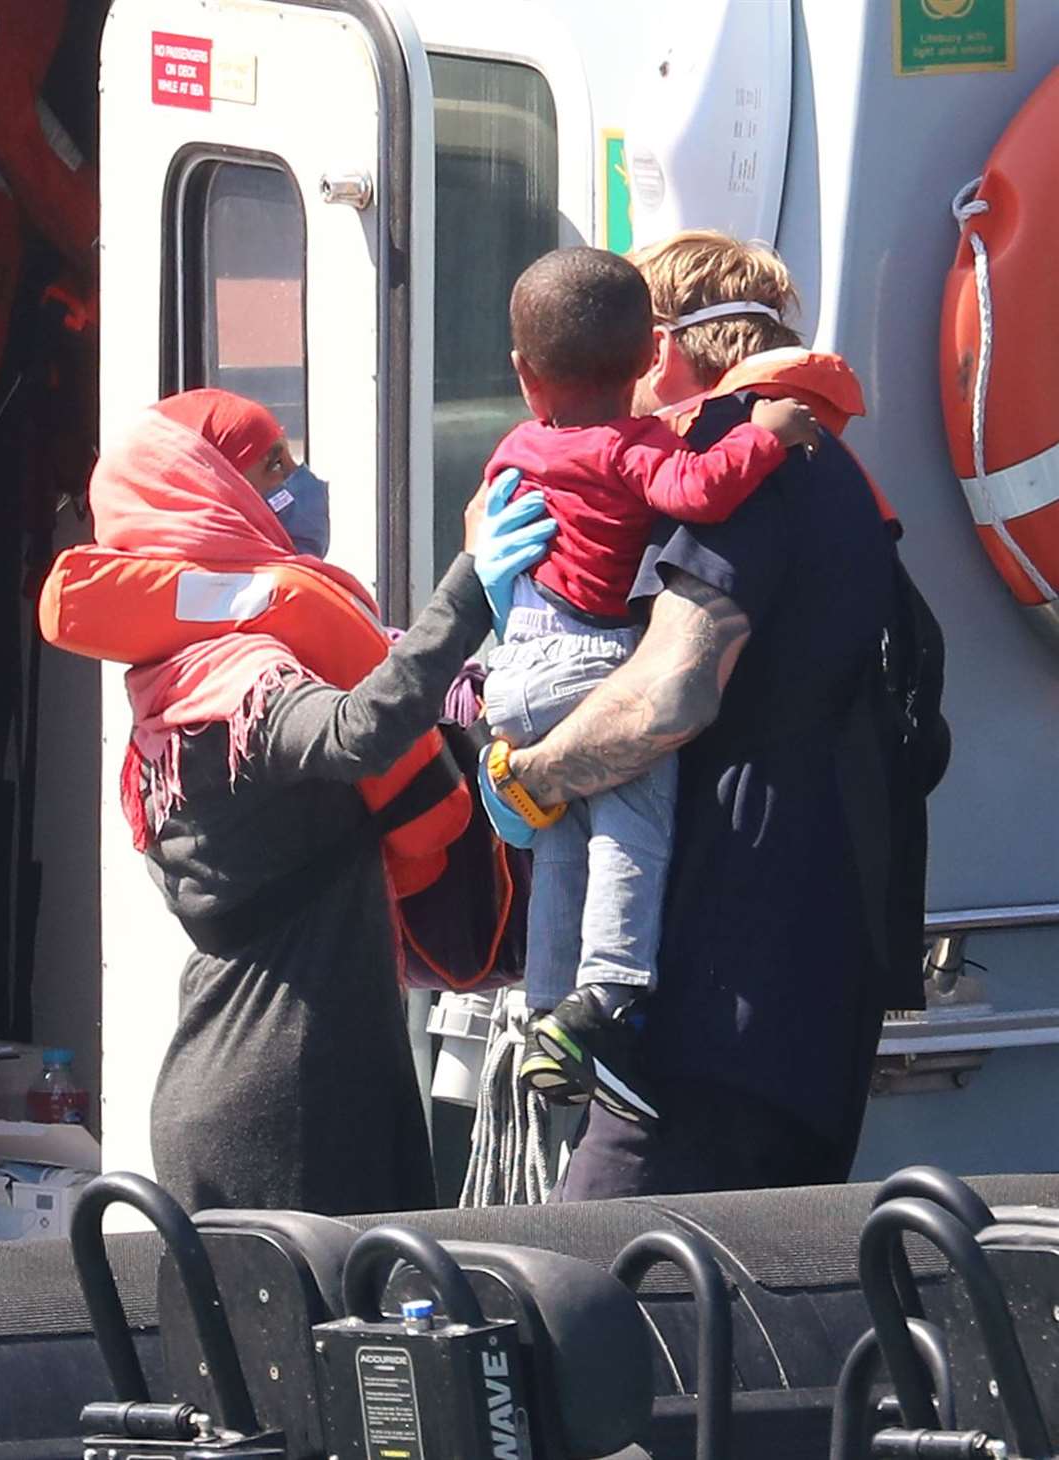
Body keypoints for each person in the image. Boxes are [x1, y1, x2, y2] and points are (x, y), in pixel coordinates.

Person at [481, 230, 936, 1197]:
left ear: (664, 347)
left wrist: (528, 777)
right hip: (811, 981)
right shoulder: (832, 471)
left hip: (723, 994)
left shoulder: (746, 464)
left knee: (594, 1293)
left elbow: (670, 693)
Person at [83, 388, 550, 1215]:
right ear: (209, 493)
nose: (300, 485)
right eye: (274, 467)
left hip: (280, 1082)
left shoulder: (176, 686)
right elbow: (355, 733)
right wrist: (470, 585)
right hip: (288, 1099)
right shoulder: (231, 686)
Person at [479, 247, 818, 1123]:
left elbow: (493, 516)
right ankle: (609, 992)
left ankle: (546, 1007)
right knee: (630, 830)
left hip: (513, 664)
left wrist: (519, 773)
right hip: (594, 662)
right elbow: (700, 491)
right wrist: (767, 435)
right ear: (644, 358)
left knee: (560, 844)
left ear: (523, 374)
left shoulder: (517, 447)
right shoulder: (637, 448)